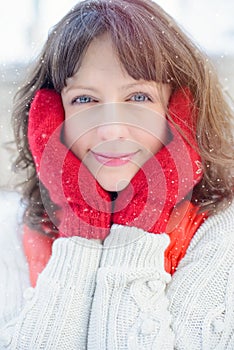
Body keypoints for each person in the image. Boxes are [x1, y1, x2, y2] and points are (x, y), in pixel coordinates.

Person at [0, 0, 234, 348]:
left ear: (182, 111)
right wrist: (80, 223)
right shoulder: (13, 234)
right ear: (49, 118)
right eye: (85, 100)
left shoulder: (223, 235)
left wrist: (141, 218)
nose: (111, 131)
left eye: (139, 96)